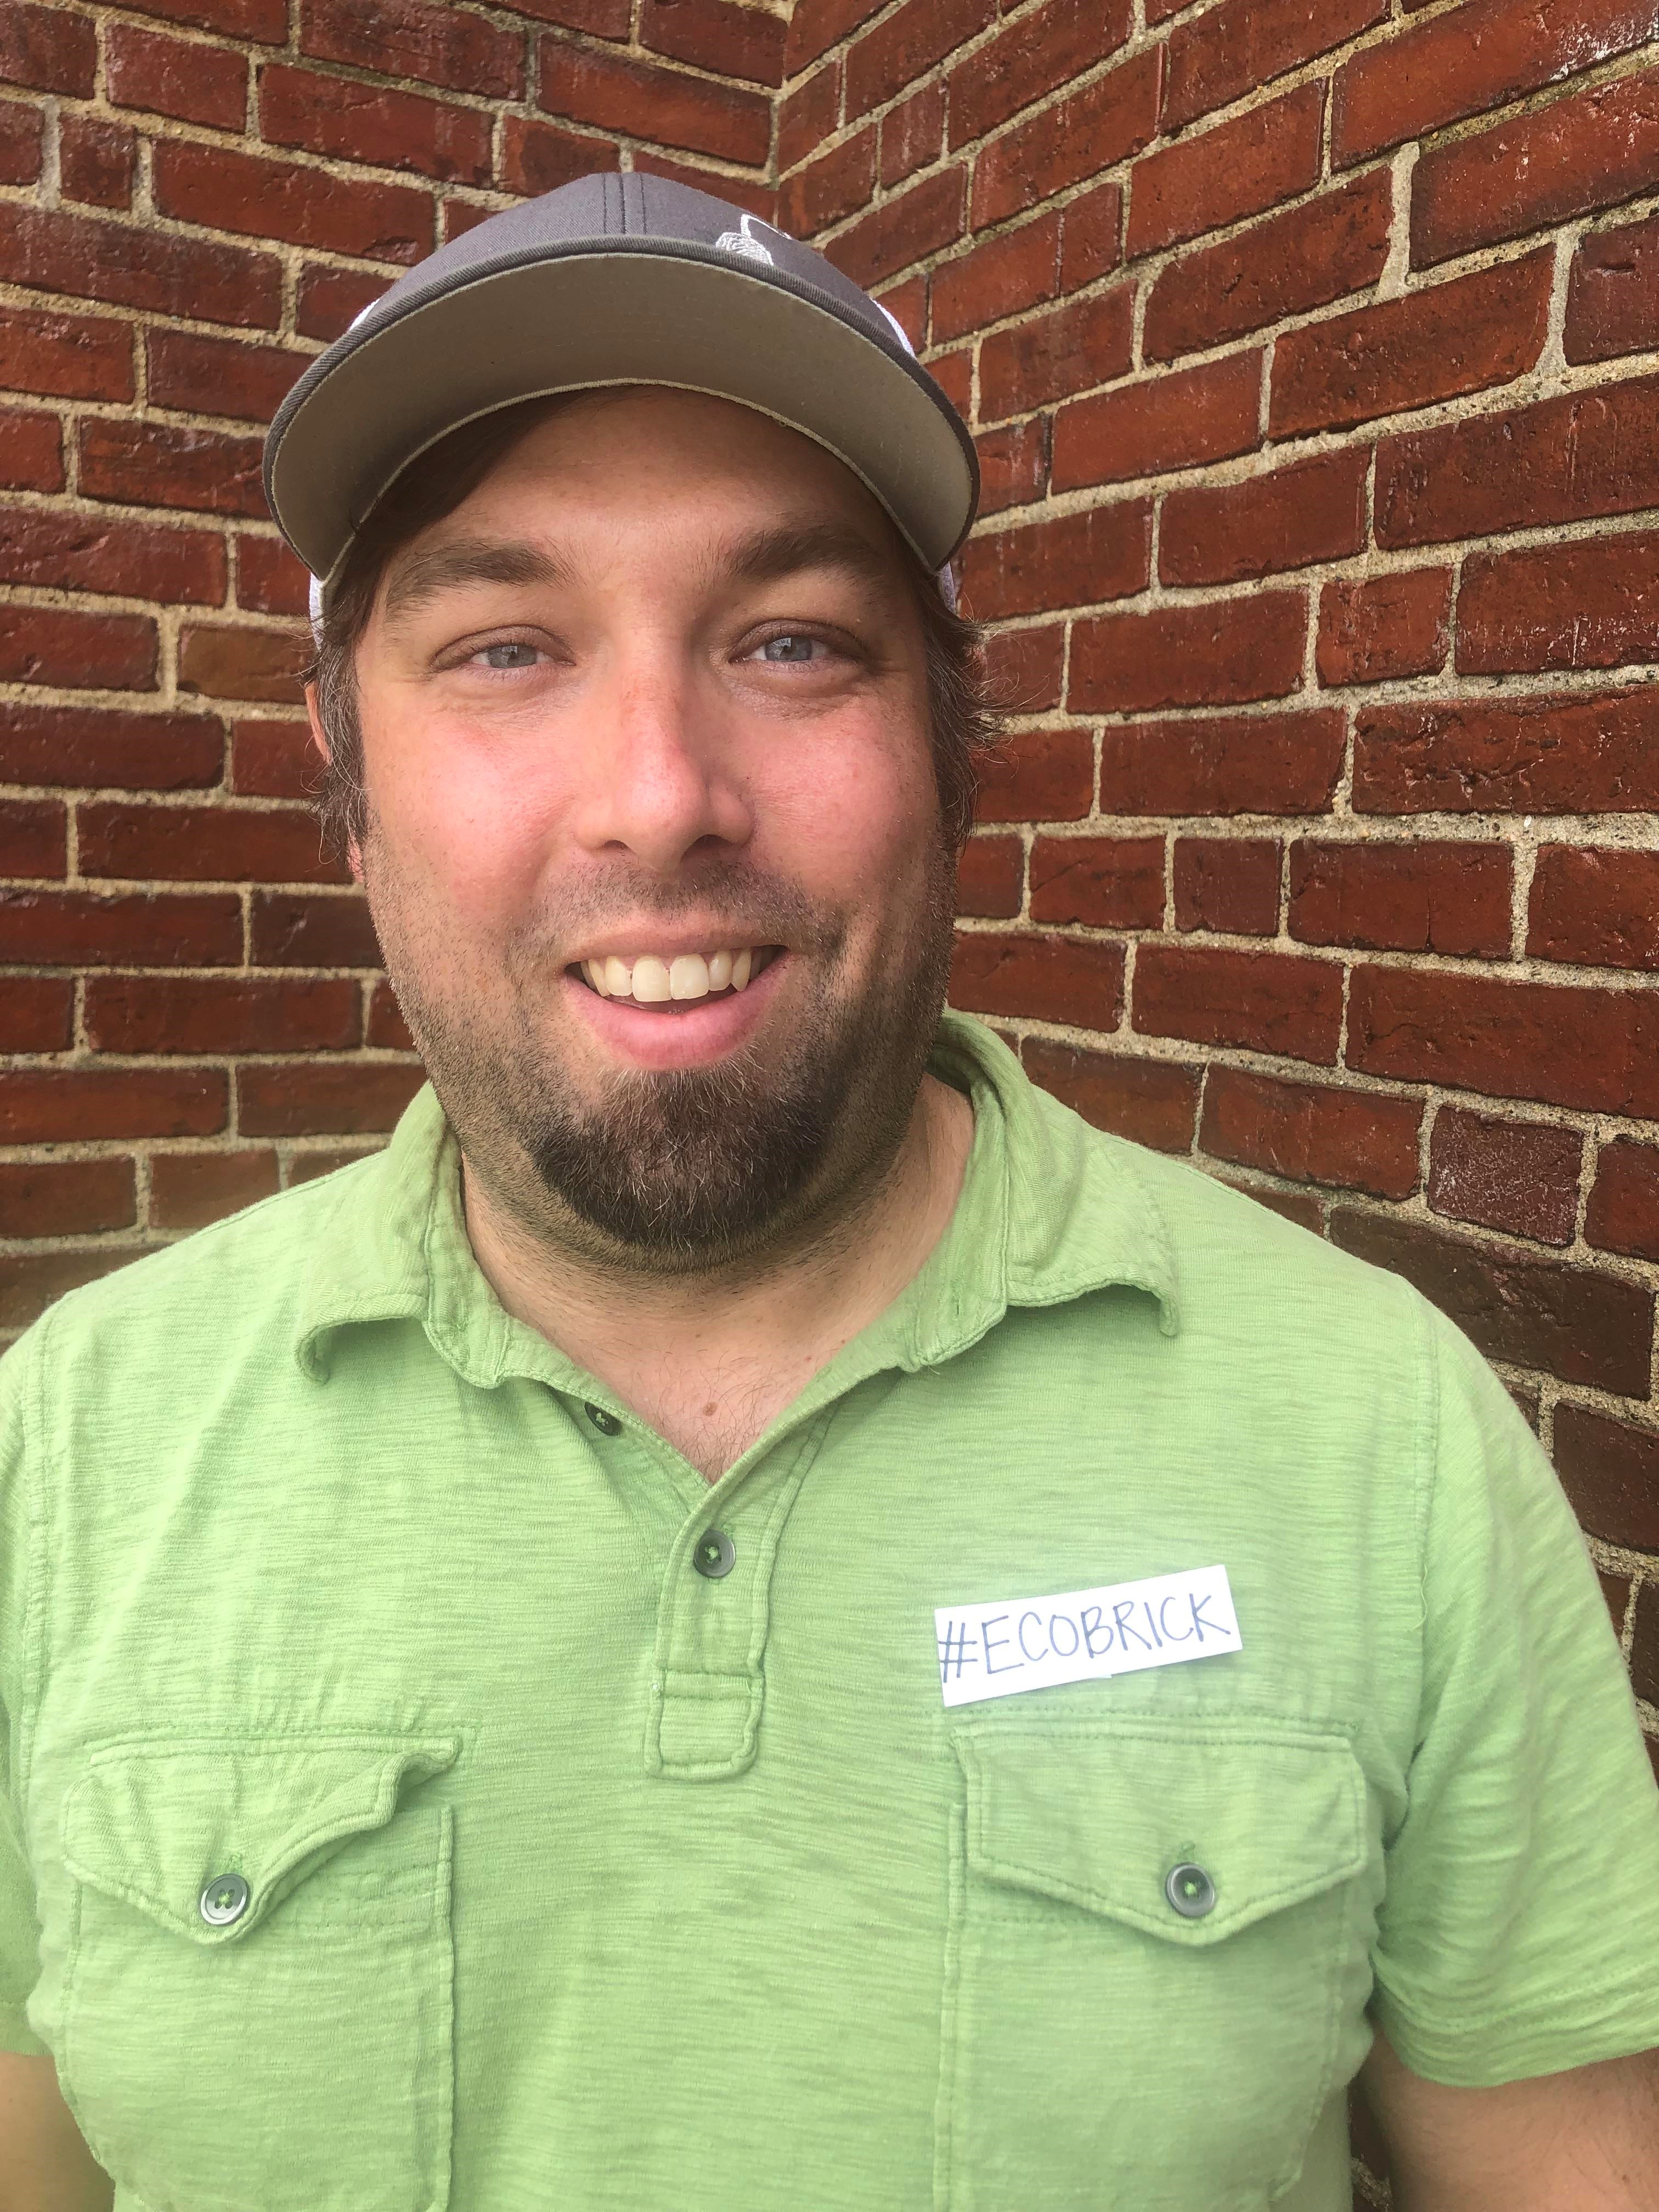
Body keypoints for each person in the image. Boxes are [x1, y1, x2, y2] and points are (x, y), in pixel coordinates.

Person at [2, 174, 1657, 2212]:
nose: (660, 793)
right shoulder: (70, 1452)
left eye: (790, 643)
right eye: (507, 647)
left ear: (953, 762)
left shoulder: (1377, 1433)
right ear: (350, 792)